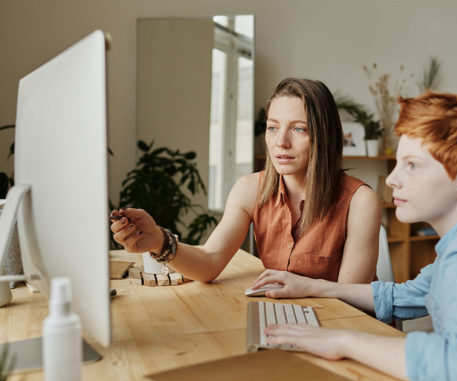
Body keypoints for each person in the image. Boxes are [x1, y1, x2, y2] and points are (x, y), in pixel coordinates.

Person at [253, 92, 457, 381]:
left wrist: (342, 341)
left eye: (411, 165)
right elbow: (405, 295)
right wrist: (315, 286)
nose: (392, 180)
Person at [110, 77, 381, 284]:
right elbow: (209, 262)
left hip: (342, 329)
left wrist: (296, 290)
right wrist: (158, 240)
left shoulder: (360, 201)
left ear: (325, 136)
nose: (280, 142)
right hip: (286, 320)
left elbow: (351, 301)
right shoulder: (250, 189)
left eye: (299, 129)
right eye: (273, 127)